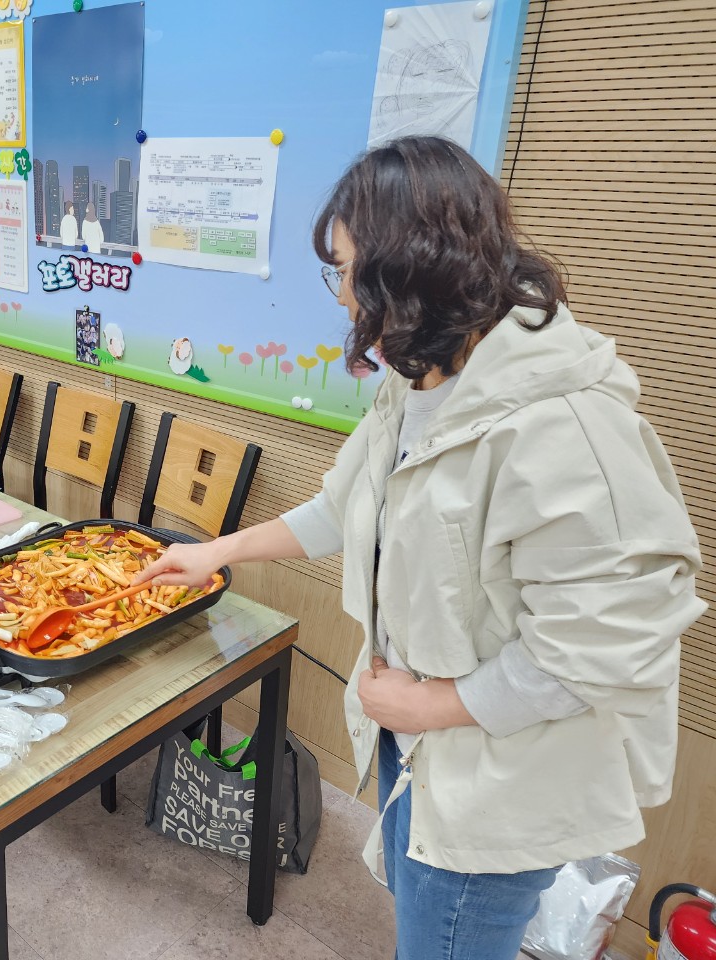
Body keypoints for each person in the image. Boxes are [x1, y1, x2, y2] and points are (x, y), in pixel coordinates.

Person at [139, 135, 705, 960]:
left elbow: (600, 646)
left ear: (410, 269)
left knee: (447, 936)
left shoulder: (565, 424)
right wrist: (216, 552)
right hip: (419, 739)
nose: (342, 297)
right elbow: (343, 507)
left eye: (347, 272)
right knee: (423, 917)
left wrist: (425, 707)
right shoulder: (419, 379)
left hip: (497, 773)